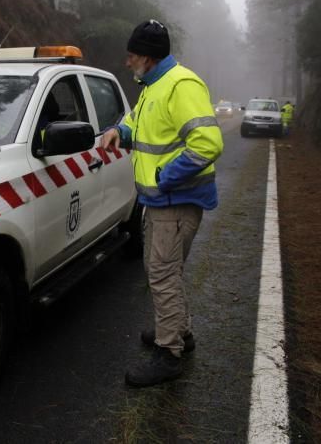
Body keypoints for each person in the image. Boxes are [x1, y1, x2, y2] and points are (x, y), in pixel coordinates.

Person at [101, 20, 224, 387]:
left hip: (176, 200)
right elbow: (138, 124)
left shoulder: (181, 85)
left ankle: (168, 353)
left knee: (163, 273)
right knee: (163, 270)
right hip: (158, 201)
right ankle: (180, 333)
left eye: (132, 55)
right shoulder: (152, 87)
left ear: (149, 57)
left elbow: (207, 143)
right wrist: (118, 132)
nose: (128, 62)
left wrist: (163, 177)